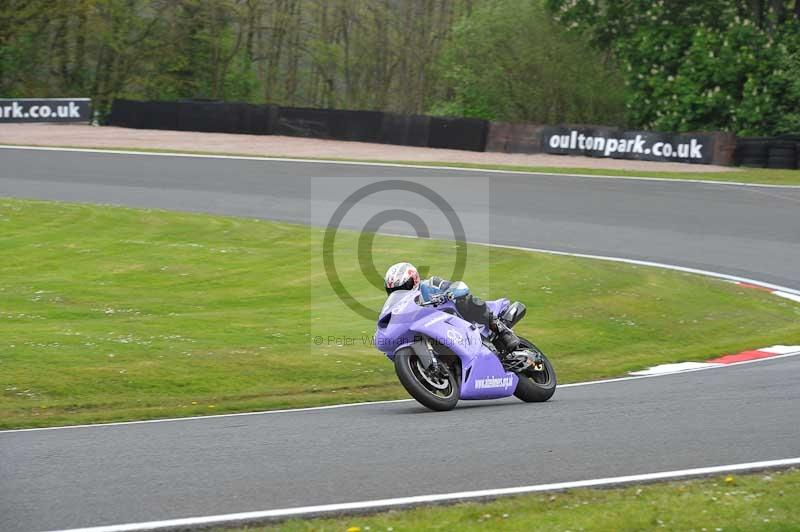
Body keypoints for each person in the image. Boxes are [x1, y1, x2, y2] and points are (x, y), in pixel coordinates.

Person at [383, 262, 521, 361]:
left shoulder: (430, 285)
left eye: (404, 286)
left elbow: (458, 287)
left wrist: (448, 293)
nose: (401, 292)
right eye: (394, 290)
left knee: (465, 300)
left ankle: (502, 330)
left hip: (460, 320)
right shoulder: (399, 307)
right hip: (435, 331)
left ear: (415, 280)